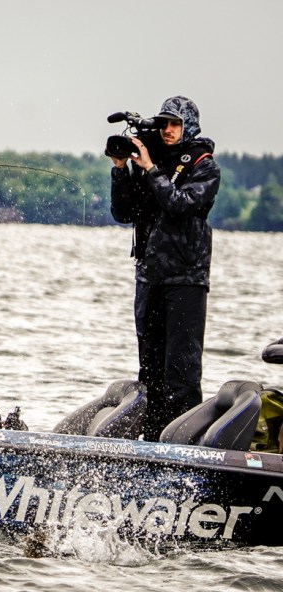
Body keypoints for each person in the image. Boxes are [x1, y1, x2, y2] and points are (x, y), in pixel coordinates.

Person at [109, 96, 221, 439]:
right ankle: (152, 439)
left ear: (189, 126)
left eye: (174, 124)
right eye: (163, 124)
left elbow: (179, 204)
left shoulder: (204, 165)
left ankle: (184, 442)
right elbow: (124, 213)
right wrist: (121, 168)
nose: (167, 130)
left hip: (186, 279)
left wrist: (150, 169)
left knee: (181, 370)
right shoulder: (152, 161)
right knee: (151, 368)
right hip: (150, 276)